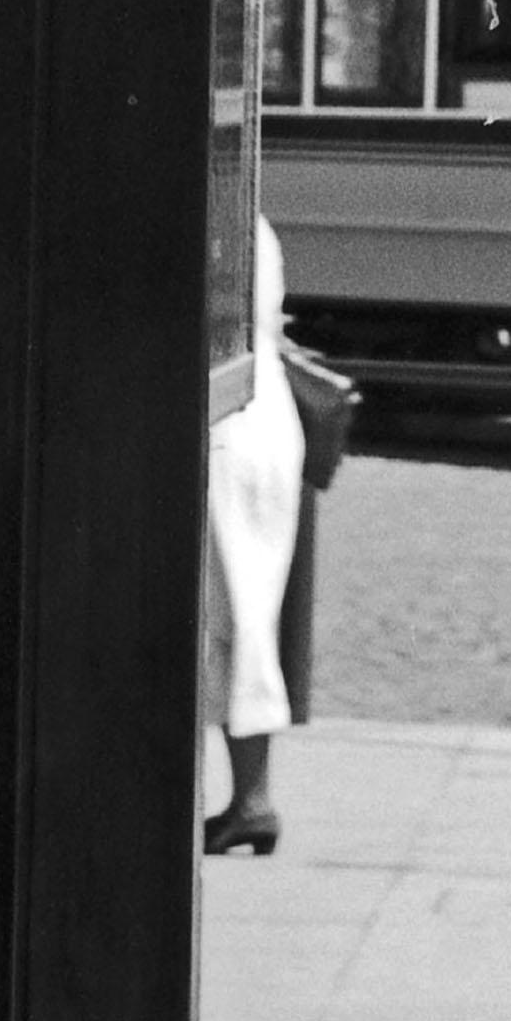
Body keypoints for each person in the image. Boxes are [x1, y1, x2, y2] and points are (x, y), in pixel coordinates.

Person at [200, 218, 307, 858]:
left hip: (227, 427)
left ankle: (252, 799)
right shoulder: (249, 215)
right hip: (261, 415)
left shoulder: (208, 208)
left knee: (226, 614)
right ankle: (251, 798)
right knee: (245, 614)